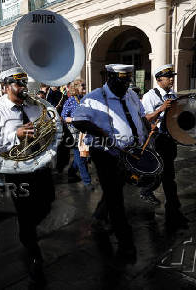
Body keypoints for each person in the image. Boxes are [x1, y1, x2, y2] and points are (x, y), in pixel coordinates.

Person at [0, 67, 55, 286]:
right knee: (25, 210)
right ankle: (32, 251)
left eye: (24, 83)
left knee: (47, 203)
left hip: (40, 165)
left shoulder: (34, 106)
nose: (23, 88)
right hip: (16, 170)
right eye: (18, 84)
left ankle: (27, 231)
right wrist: (16, 134)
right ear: (6, 87)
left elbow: (46, 127)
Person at [72, 64, 148, 262]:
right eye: (121, 81)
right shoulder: (93, 97)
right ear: (110, 78)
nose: (125, 85)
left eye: (127, 81)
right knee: (116, 199)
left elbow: (139, 115)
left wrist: (146, 128)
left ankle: (98, 216)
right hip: (105, 153)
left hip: (129, 151)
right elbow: (78, 120)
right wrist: (99, 132)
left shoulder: (130, 94)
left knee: (114, 189)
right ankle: (126, 243)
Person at [140, 64, 188, 230]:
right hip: (157, 141)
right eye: (169, 77)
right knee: (166, 177)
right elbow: (145, 119)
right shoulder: (149, 96)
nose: (172, 79)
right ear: (159, 79)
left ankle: (152, 193)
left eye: (172, 76)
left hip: (170, 139)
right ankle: (173, 210)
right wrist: (161, 109)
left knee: (165, 175)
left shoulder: (173, 94)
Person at [61, 79, 92, 187]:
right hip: (74, 134)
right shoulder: (70, 101)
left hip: (85, 132)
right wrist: (74, 119)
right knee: (81, 157)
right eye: (82, 86)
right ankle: (87, 181)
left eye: (84, 85)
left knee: (83, 155)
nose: (84, 87)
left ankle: (71, 172)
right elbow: (63, 117)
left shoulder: (86, 99)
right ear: (76, 87)